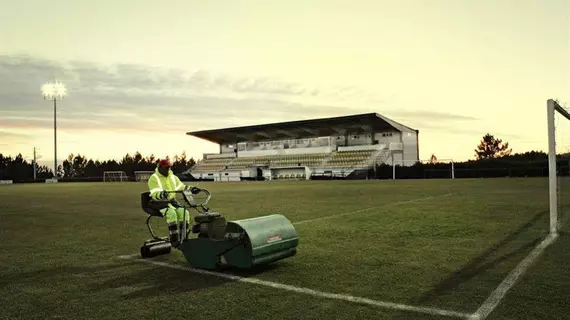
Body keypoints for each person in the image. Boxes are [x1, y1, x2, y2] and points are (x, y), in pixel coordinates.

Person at [147, 158, 198, 247]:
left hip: (171, 202)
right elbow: (154, 193)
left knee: (184, 212)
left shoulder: (173, 177)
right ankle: (174, 240)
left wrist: (191, 189)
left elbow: (180, 187)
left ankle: (183, 238)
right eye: (166, 168)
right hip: (159, 202)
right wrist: (162, 194)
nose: (168, 169)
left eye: (169, 167)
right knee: (172, 213)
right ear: (160, 167)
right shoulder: (154, 178)